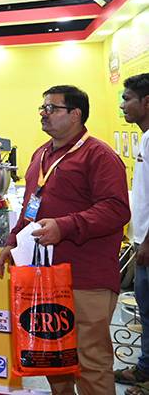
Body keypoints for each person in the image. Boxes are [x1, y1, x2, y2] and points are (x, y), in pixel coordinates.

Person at [0, 85, 129, 395]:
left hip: (85, 277)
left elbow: (116, 209)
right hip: (44, 277)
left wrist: (65, 226)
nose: (43, 114)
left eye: (52, 108)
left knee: (90, 361)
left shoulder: (99, 155)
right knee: (53, 359)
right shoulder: (41, 154)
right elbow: (32, 205)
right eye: (42, 108)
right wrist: (13, 240)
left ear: (75, 114)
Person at [115, 73, 149, 393]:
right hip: (142, 241)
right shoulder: (145, 137)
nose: (122, 105)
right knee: (146, 310)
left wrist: (147, 242)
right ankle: (145, 369)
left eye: (127, 99)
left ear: (147, 102)